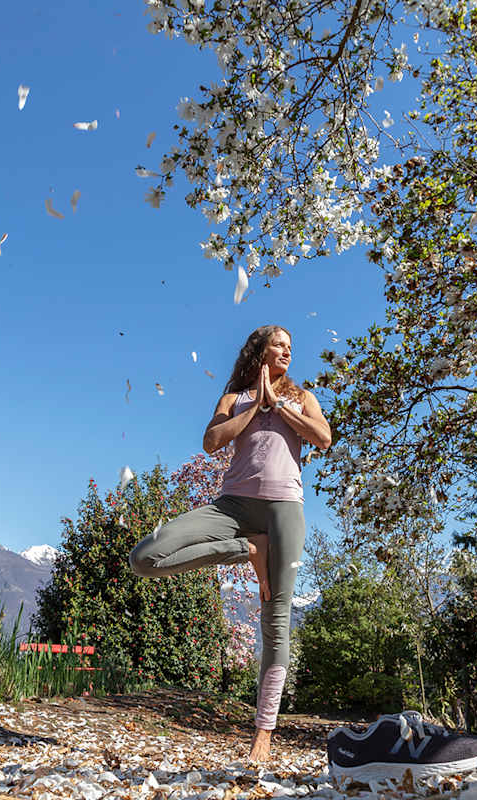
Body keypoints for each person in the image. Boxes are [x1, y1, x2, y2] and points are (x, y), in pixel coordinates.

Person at [128, 324, 331, 762]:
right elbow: (211, 441)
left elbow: (324, 438)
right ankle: (248, 549)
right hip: (232, 507)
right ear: (259, 351)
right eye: (279, 344)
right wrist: (257, 405)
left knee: (276, 620)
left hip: (284, 511)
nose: (287, 352)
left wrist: (280, 406)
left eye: (291, 347)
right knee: (145, 557)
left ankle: (263, 734)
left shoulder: (302, 397)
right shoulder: (233, 398)